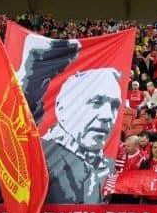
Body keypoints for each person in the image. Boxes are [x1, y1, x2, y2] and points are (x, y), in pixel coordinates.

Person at [43, 68, 122, 204]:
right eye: (96, 102)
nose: (108, 115)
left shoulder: (109, 165)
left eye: (115, 105)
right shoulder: (36, 154)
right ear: (62, 108)